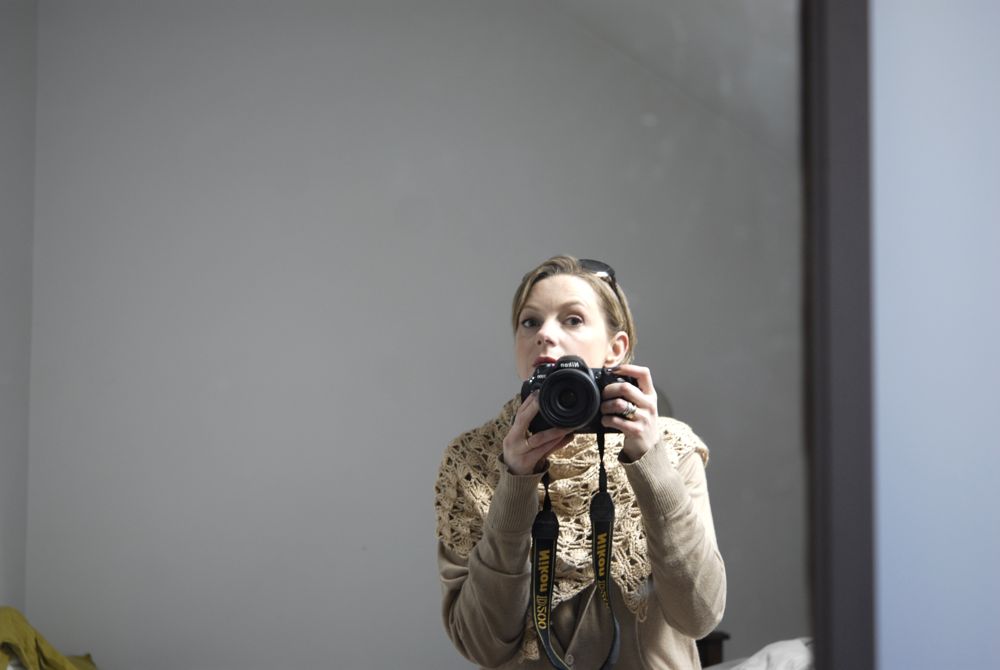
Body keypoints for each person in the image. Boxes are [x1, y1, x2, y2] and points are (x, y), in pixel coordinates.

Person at [434, 255, 726, 669]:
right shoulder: (471, 460)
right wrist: (515, 483)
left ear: (615, 349)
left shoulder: (672, 448)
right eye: (530, 322)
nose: (544, 334)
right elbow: (483, 646)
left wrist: (650, 463)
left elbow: (700, 615)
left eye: (572, 320)